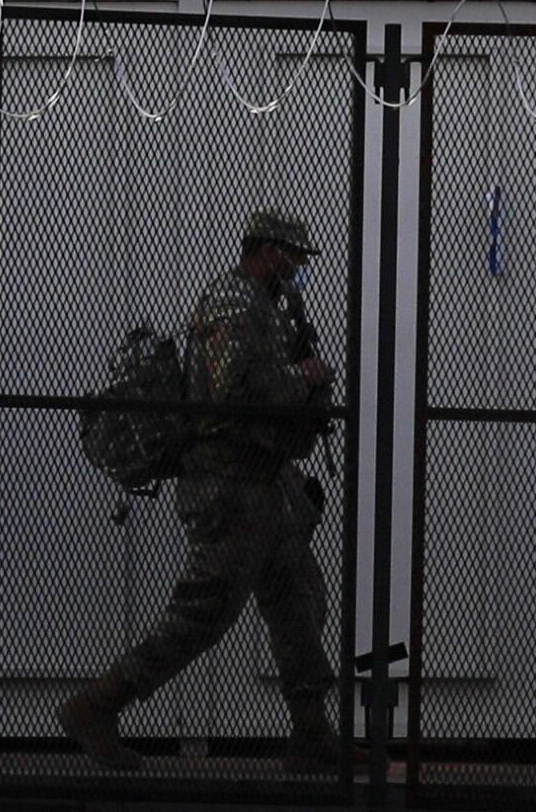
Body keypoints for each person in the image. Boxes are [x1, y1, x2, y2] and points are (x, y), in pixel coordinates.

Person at [58, 207, 343, 775]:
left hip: (264, 481)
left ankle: (312, 732)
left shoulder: (268, 308)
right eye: (293, 258)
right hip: (227, 486)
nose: (298, 269)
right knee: (205, 611)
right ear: (266, 252)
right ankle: (97, 705)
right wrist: (304, 378)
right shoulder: (233, 305)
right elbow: (231, 394)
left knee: (298, 595)